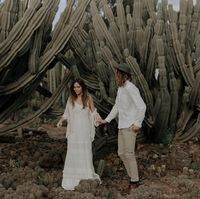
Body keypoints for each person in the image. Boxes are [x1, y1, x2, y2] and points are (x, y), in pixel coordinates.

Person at [98, 63, 146, 189]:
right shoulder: (121, 88)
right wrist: (106, 120)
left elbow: (142, 106)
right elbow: (117, 107)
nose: (115, 76)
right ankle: (133, 177)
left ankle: (134, 181)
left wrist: (137, 124)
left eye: (117, 74)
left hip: (130, 126)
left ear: (123, 75)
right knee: (121, 153)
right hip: (122, 125)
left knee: (129, 154)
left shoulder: (131, 88)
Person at [57, 78, 101, 190]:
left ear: (83, 87)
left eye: (78, 87)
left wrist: (98, 118)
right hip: (74, 132)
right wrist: (61, 120)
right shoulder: (71, 99)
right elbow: (66, 113)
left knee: (84, 152)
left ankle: (85, 177)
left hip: (84, 131)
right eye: (74, 87)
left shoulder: (88, 98)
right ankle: (73, 178)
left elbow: (93, 112)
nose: (76, 89)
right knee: (73, 153)